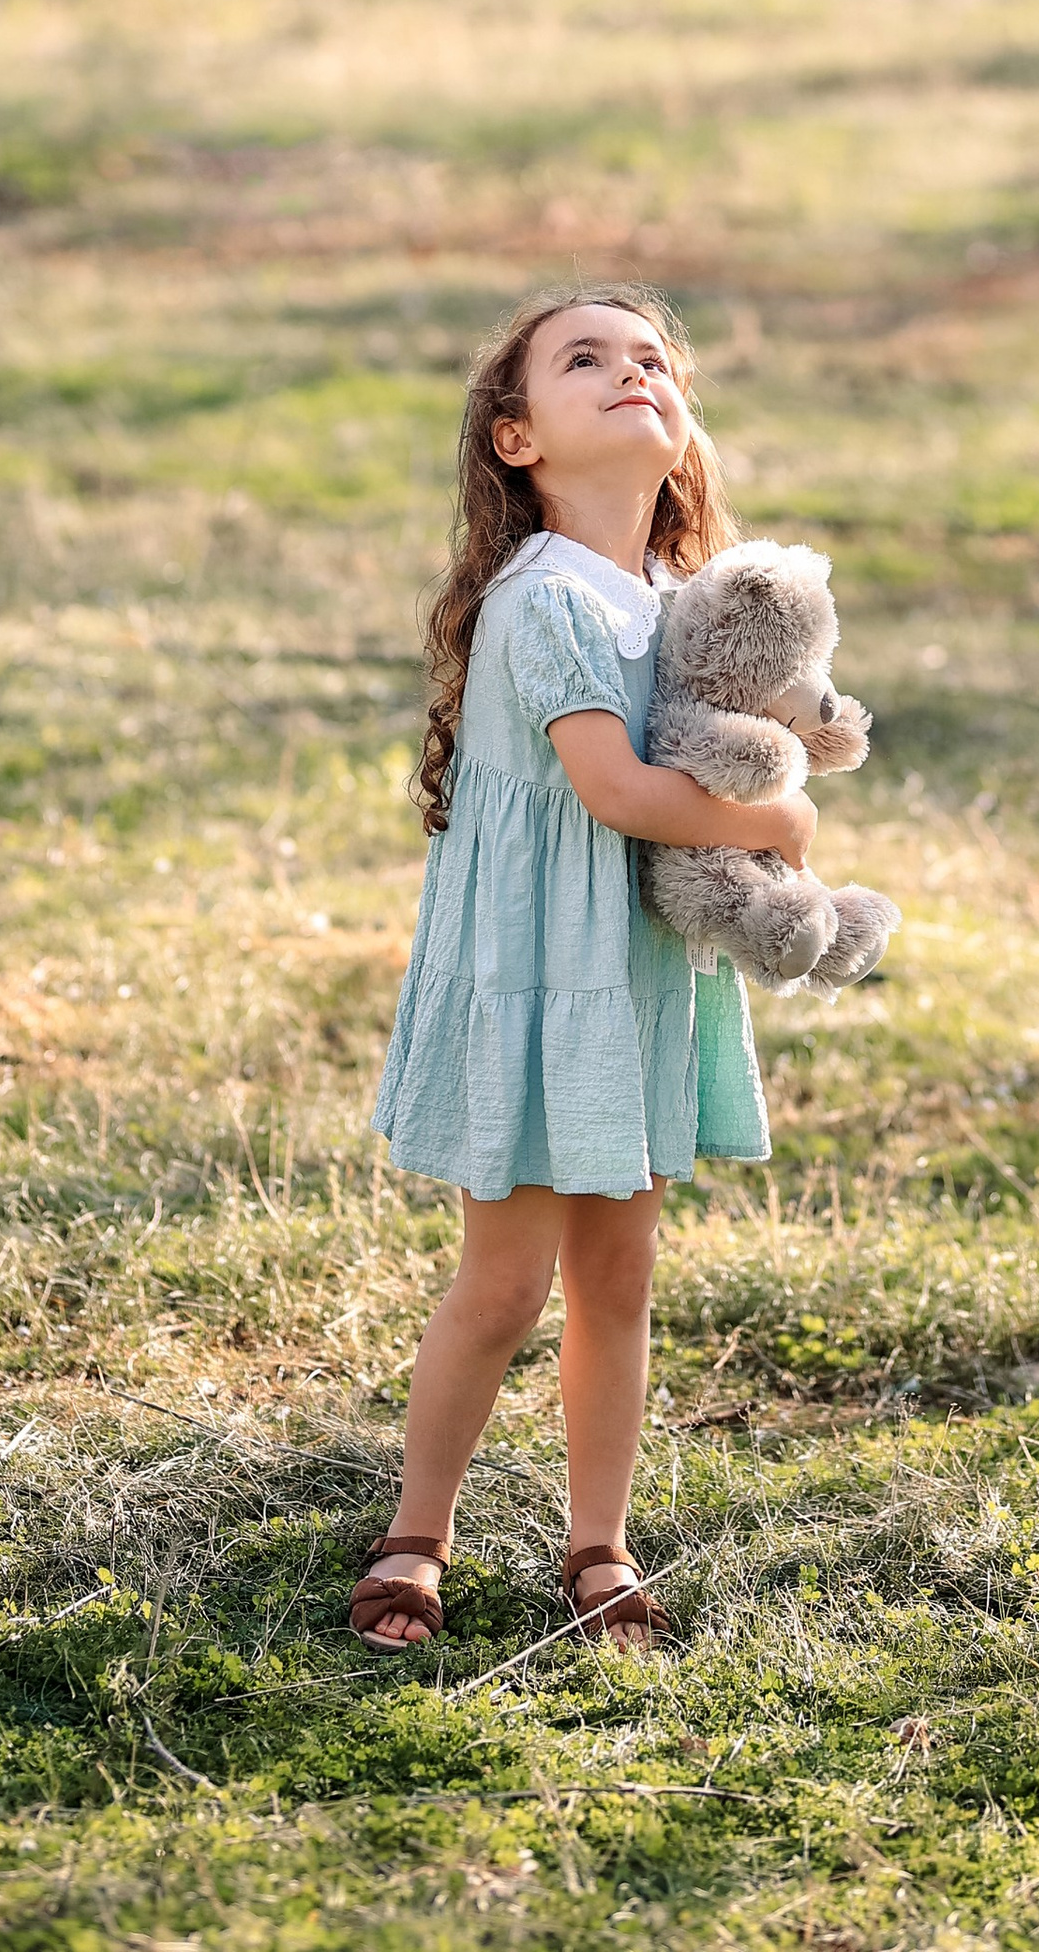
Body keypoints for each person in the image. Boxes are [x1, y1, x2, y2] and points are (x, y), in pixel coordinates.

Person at [355, 284, 808, 1653]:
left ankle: (598, 1547)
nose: (632, 373)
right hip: (540, 971)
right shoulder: (543, 598)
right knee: (505, 1280)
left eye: (654, 359)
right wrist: (777, 823)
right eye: (585, 359)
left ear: (680, 426)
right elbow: (616, 790)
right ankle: (413, 1538)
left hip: (635, 970)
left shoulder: (679, 600)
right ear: (516, 440)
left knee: (620, 1276)